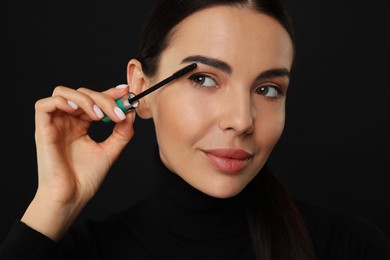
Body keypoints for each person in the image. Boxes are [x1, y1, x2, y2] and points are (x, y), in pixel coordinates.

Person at [1, 0, 390, 259]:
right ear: (140, 90)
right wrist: (54, 204)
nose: (241, 120)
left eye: (268, 89)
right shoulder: (81, 252)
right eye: (203, 79)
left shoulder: (349, 246)